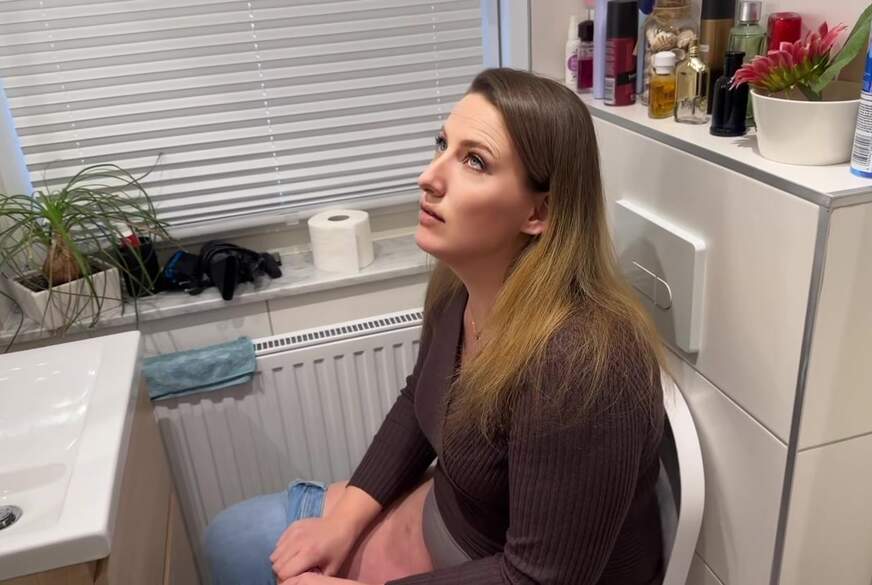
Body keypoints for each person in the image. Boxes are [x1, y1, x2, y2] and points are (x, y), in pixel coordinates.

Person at [205, 67, 666, 585]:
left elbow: (541, 580)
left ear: (538, 212)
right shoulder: (459, 285)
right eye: (442, 145)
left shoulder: (583, 364)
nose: (429, 176)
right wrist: (344, 520)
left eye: (475, 161)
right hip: (442, 525)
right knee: (229, 539)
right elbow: (417, 401)